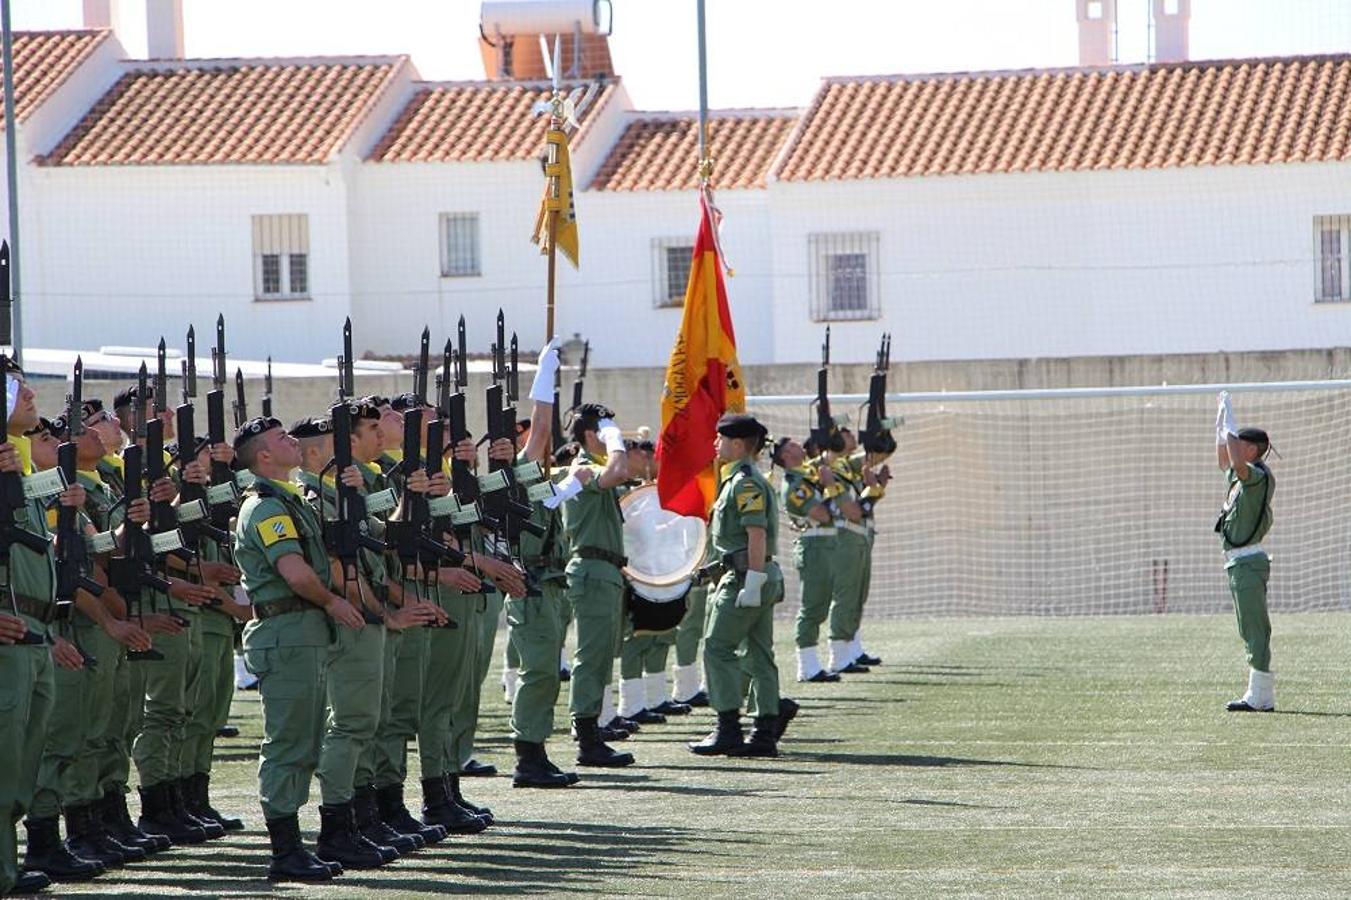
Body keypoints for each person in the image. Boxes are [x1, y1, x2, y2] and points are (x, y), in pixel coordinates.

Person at [234, 415, 365, 882]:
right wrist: (332, 602)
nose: (292, 440)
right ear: (263, 456)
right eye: (280, 439)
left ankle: (294, 848)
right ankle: (284, 852)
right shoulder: (267, 507)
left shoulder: (288, 500)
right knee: (290, 743)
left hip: (301, 632)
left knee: (303, 741)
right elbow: (293, 571)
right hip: (287, 632)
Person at [2, 362, 92, 895]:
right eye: (12, 387)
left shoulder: (15, 469)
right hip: (10, 635)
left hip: (34, 632)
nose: (31, 393)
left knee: (19, 768)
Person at [689, 414, 786, 757]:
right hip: (751, 574)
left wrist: (753, 581)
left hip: (747, 576)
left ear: (738, 444)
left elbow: (755, 535)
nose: (715, 444)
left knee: (717, 647)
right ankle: (764, 733)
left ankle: (728, 727)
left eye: (720, 439)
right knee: (759, 653)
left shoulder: (744, 483)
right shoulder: (741, 480)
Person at [506, 339, 579, 787]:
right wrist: (545, 375)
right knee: (538, 673)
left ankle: (536, 752)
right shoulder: (515, 472)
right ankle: (527, 758)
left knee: (547, 672)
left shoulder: (535, 476)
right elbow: (543, 427)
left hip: (548, 583)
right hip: (530, 583)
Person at [558, 402, 634, 767]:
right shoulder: (584, 468)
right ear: (592, 435)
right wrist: (613, 437)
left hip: (604, 569)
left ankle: (593, 729)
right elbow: (619, 470)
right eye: (603, 432)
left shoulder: (594, 467)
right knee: (591, 655)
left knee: (602, 654)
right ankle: (586, 737)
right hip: (590, 568)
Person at [1215, 392, 1276, 713]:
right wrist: (1221, 428)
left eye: (1239, 442)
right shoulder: (1243, 475)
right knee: (1246, 625)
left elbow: (1235, 463)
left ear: (1251, 449)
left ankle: (1261, 695)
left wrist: (1231, 426)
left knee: (1254, 626)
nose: (1234, 446)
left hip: (1249, 561)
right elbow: (1225, 461)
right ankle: (1260, 694)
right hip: (1239, 563)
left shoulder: (1257, 475)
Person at [770, 436, 840, 683]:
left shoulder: (807, 476)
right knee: (813, 605)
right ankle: (807, 666)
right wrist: (830, 487)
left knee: (821, 604)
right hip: (815, 545)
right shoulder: (795, 484)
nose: (798, 445)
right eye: (790, 446)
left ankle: (812, 662)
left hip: (826, 544)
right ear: (785, 457)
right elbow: (822, 515)